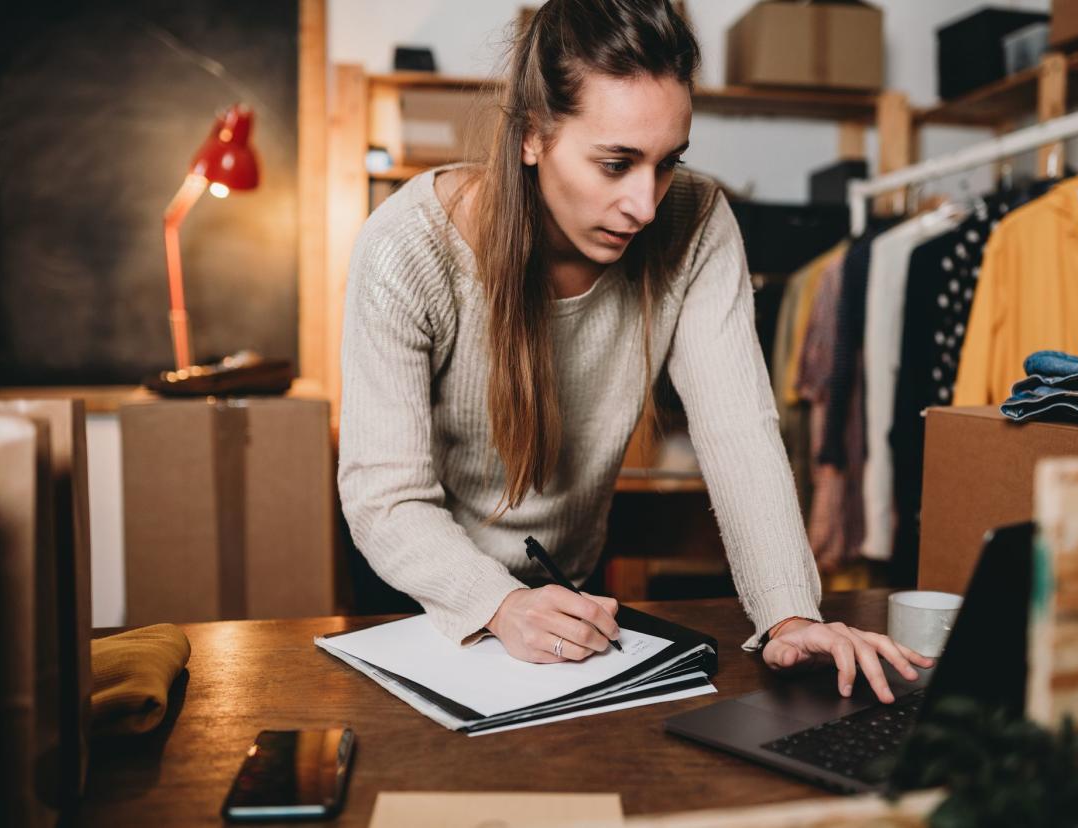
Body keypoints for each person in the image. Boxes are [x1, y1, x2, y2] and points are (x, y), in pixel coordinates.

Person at [339, 0, 933, 704]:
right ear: (531, 135)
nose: (645, 206)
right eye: (615, 163)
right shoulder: (407, 247)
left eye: (666, 163)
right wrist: (495, 605)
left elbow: (738, 431)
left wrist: (790, 614)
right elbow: (386, 497)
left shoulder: (696, 220)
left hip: (566, 594)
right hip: (420, 600)